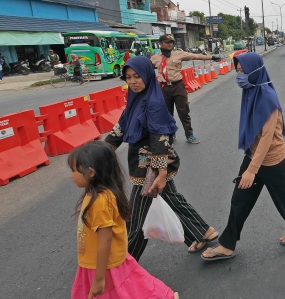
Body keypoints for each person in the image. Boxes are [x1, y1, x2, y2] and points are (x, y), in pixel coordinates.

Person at [104, 56, 218, 261]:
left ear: (147, 75)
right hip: (145, 163)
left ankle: (125, 260)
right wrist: (100, 152)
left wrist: (160, 172)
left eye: (137, 76)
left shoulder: (153, 102)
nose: (132, 82)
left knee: (138, 216)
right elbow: (120, 129)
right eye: (128, 77)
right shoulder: (134, 99)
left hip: (151, 167)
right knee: (171, 198)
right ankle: (202, 231)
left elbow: (160, 139)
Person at [201, 53, 285, 261]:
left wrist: (251, 170)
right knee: (239, 200)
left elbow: (267, 138)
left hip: (274, 160)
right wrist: (251, 165)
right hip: (254, 155)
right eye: (238, 71)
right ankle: (227, 245)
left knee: (284, 200)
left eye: (243, 71)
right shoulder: (251, 91)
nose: (240, 76)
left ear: (255, 71)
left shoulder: (267, 97)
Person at [68, 141, 179, 299]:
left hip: (104, 265)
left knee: (123, 290)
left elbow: (104, 241)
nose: (71, 175)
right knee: (132, 285)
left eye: (73, 170)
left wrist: (99, 279)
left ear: (91, 172)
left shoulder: (99, 201)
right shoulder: (98, 194)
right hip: (97, 261)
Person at [150, 34, 220, 144]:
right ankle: (171, 133)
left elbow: (195, 56)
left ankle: (189, 135)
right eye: (167, 42)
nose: (170, 44)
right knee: (167, 113)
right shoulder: (155, 58)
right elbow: (143, 66)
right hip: (164, 88)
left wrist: (212, 57)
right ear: (160, 44)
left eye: (171, 42)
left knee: (183, 111)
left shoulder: (178, 53)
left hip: (178, 86)